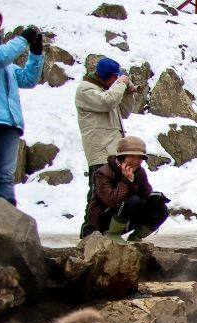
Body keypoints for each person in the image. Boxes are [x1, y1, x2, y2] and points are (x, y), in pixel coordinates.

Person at [76, 57, 137, 238]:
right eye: (115, 78)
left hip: (112, 150)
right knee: (97, 195)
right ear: (108, 77)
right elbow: (108, 102)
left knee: (113, 194)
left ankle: (103, 231)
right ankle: (89, 233)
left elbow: (124, 112)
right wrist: (121, 83)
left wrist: (127, 92)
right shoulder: (86, 90)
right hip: (99, 151)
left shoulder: (108, 91)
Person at [0, 15, 43, 206]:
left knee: (5, 175)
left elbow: (28, 79)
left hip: (11, 123)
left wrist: (36, 52)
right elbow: (0, 57)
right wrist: (24, 39)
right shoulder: (3, 57)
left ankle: (6, 221)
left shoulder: (8, 64)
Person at [88, 136, 169, 243]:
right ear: (122, 157)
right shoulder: (103, 173)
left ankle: (136, 236)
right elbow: (112, 201)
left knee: (162, 209)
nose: (136, 161)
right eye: (131, 156)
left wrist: (155, 198)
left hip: (127, 214)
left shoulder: (140, 171)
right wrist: (127, 181)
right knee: (133, 200)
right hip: (103, 219)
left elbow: (145, 194)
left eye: (139, 157)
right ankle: (112, 234)